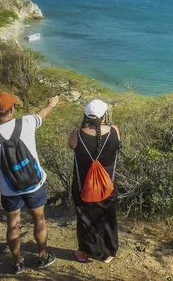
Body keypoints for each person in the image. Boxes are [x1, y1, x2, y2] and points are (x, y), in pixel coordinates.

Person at [0, 92, 59, 274]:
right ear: (12, 108)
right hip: (34, 184)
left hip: (10, 189)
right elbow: (43, 114)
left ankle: (17, 262)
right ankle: (42, 256)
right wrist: (51, 104)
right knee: (39, 219)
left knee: (13, 225)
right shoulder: (26, 123)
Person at [68, 99, 120, 263]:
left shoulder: (76, 134)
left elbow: (71, 145)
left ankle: (84, 252)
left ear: (86, 115)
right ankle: (108, 253)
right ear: (104, 116)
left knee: (85, 218)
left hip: (83, 187)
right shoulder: (114, 131)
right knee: (107, 217)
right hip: (107, 186)